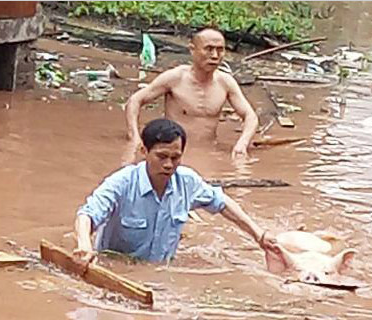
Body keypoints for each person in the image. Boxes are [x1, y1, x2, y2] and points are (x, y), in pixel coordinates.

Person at [74, 119, 274, 265]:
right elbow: (87, 214)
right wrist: (84, 245)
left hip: (161, 271)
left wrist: (259, 236)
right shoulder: (122, 182)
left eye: (175, 157)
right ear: (144, 151)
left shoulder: (187, 182)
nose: (169, 165)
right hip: (116, 269)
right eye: (161, 156)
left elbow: (222, 203)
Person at [125, 28, 259, 160]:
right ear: (192, 49)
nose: (214, 56)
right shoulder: (175, 78)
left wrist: (242, 143)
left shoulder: (225, 82)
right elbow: (135, 100)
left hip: (209, 152)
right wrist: (134, 137)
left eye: (220, 50)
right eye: (208, 49)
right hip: (174, 154)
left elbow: (250, 116)